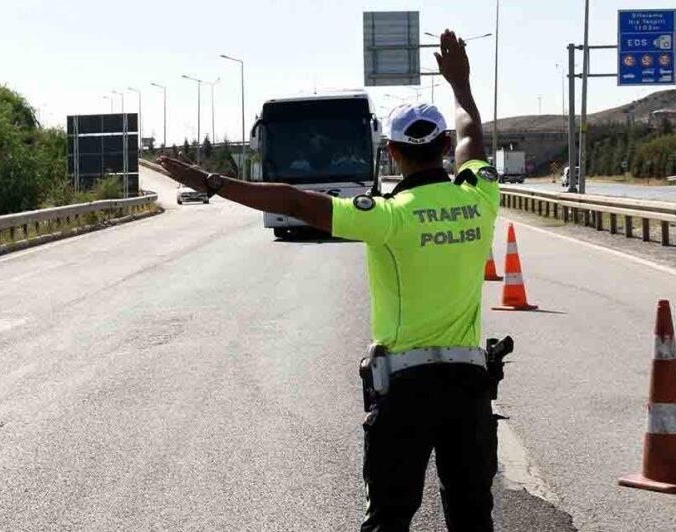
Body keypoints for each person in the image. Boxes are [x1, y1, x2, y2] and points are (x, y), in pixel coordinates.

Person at [157, 30, 500, 531]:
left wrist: (212, 183)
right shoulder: (480, 196)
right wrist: (461, 85)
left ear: (391, 154)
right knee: (473, 516)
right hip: (470, 388)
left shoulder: (388, 216)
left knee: (389, 517)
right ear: (444, 147)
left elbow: (294, 202)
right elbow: (473, 135)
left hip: (405, 390)